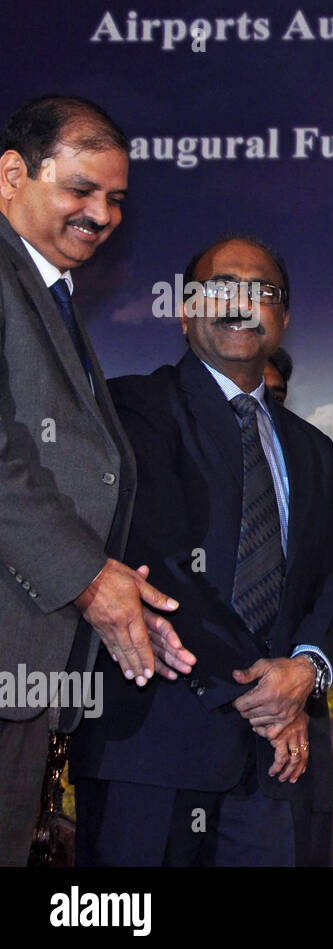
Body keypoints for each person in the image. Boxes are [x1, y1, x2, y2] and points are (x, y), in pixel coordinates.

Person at [70, 236, 333, 866]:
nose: (241, 303)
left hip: (276, 763)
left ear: (284, 317)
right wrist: (263, 691)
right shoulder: (129, 410)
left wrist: (304, 672)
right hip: (152, 748)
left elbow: (332, 581)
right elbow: (161, 561)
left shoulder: (310, 448)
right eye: (221, 286)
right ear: (185, 309)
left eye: (262, 291)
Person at [0, 95, 184, 866]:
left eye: (115, 199)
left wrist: (116, 592)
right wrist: (86, 578)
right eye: (81, 190)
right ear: (13, 174)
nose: (101, 214)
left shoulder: (48, 292)